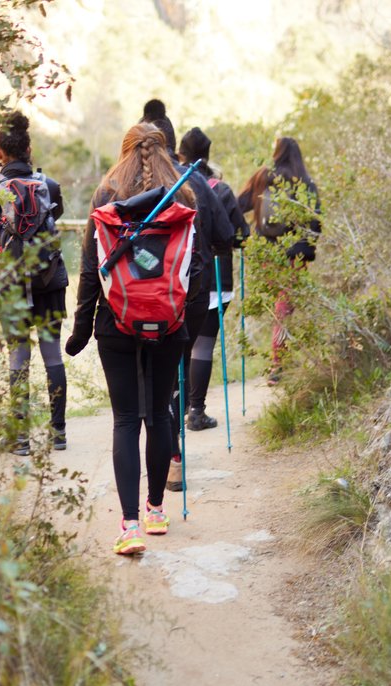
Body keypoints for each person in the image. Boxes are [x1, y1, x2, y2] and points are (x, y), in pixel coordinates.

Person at [65, 122, 198, 555]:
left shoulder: (106, 195)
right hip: (170, 325)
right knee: (158, 415)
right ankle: (157, 509)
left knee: (125, 420)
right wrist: (179, 319)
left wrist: (81, 330)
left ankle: (130, 527)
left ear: (125, 151)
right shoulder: (183, 195)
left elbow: (90, 269)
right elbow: (196, 273)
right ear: (164, 150)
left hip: (115, 322)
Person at [138, 100, 234, 488]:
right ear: (173, 147)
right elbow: (226, 237)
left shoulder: (118, 181)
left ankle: (144, 482)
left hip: (136, 298)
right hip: (188, 294)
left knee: (143, 389)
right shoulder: (193, 180)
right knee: (174, 375)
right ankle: (173, 459)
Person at [0, 112, 69, 456]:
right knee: (51, 354)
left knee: (18, 357)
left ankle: (20, 440)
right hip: (48, 280)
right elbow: (54, 215)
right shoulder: (50, 187)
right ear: (29, 148)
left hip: (10, 285)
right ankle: (58, 433)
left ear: (0, 151)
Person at [177, 127, 250, 430]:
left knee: (180, 345)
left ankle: (174, 409)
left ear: (181, 154)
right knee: (203, 344)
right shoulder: (220, 189)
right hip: (215, 279)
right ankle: (196, 412)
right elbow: (240, 235)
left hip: (178, 276)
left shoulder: (174, 185)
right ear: (207, 155)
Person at [237, 136, 321, 384]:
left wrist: (244, 237)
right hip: (294, 255)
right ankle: (279, 365)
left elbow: (236, 205)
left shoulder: (262, 177)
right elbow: (316, 222)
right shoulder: (305, 181)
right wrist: (306, 249)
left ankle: (281, 360)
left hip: (267, 254)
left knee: (279, 307)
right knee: (284, 309)